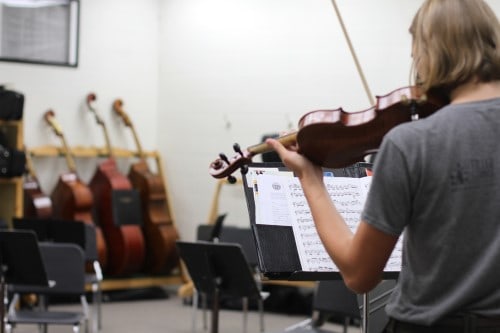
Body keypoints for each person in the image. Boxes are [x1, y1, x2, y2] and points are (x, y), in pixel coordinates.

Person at [266, 0, 500, 331]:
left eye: (416, 50)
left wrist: (310, 178)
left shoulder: (412, 143)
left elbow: (359, 274)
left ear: (433, 51)